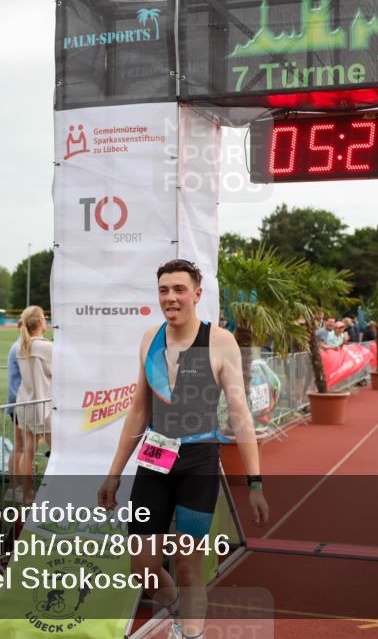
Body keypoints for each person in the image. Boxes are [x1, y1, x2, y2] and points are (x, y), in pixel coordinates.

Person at [98, 259, 269, 639]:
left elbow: (240, 414)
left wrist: (255, 482)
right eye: (163, 290)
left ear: (197, 293)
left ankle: (191, 633)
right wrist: (113, 474)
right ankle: (178, 613)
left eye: (178, 289)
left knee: (189, 566)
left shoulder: (219, 341)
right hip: (154, 461)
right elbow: (138, 409)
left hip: (199, 463)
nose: (170, 298)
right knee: (142, 567)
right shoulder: (150, 339)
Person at [13, 306, 52, 504]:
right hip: (43, 406)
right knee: (57, 452)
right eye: (44, 317)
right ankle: (57, 493)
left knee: (28, 451)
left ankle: (27, 494)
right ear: (39, 322)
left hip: (26, 404)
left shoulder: (22, 345)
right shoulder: (46, 347)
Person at [3, 319, 24, 502]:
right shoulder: (21, 347)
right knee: (21, 447)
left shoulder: (20, 345)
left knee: (22, 447)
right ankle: (16, 488)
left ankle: (16, 487)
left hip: (20, 402)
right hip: (21, 403)